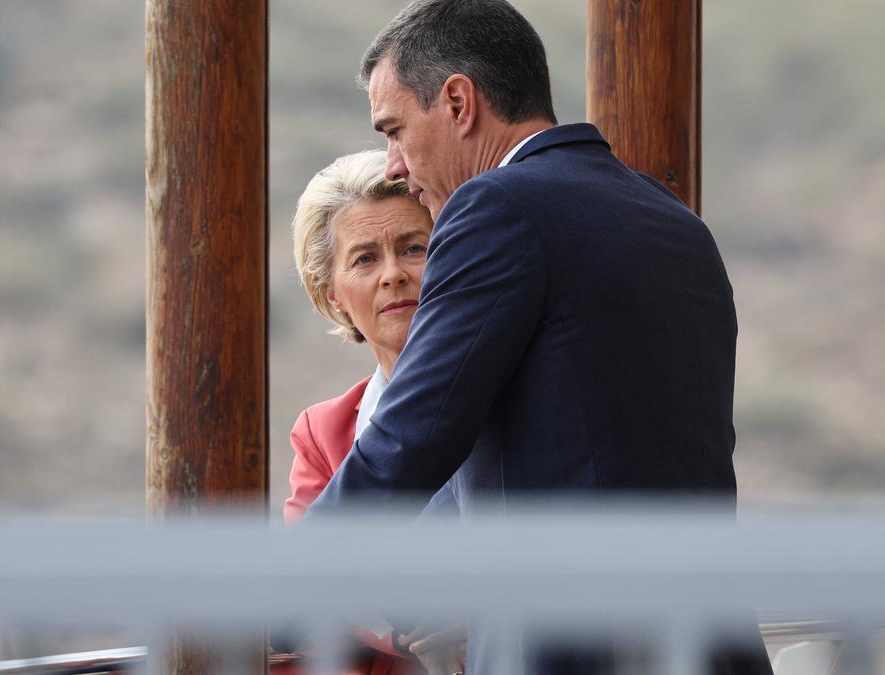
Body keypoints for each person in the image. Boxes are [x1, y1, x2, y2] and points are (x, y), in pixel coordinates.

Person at [303, 1, 773, 673]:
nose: (396, 165)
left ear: (459, 102)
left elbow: (413, 434)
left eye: (395, 130)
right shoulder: (678, 224)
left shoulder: (495, 208)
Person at [284, 149, 462, 675]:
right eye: (364, 259)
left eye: (414, 248)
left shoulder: (524, 392)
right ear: (332, 294)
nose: (394, 275)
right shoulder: (323, 432)